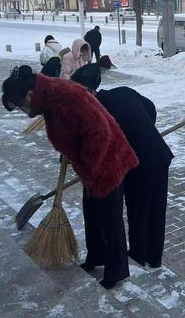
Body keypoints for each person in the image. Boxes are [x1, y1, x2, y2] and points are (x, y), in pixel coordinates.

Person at [1, 65, 138, 289]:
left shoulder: (65, 96)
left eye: (21, 106)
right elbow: (69, 127)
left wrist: (89, 166)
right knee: (92, 213)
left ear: (29, 95)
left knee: (109, 219)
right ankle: (97, 257)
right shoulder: (48, 97)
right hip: (90, 166)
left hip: (107, 161)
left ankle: (117, 270)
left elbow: (99, 132)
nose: (24, 112)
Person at [71, 64, 173, 268]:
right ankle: (148, 255)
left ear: (90, 91)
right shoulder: (122, 92)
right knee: (152, 208)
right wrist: (144, 130)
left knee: (139, 207)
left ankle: (140, 254)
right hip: (157, 154)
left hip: (142, 160)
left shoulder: (97, 112)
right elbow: (149, 107)